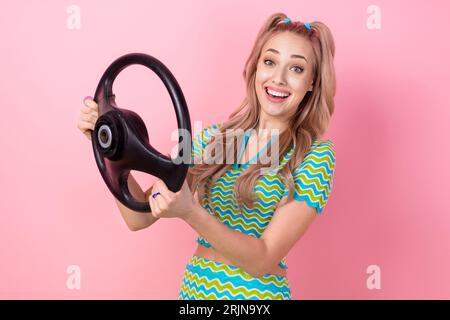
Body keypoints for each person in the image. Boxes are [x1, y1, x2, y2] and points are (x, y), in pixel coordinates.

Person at [77, 12, 336, 300]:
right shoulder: (212, 140)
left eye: (297, 69)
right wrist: (106, 146)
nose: (278, 78)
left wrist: (191, 212)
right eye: (270, 61)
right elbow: (139, 218)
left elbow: (262, 260)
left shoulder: (315, 156)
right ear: (255, 68)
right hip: (195, 294)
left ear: (312, 82)